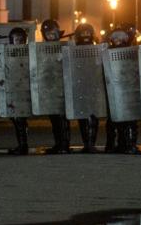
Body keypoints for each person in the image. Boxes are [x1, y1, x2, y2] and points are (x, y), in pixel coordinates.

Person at [40, 19, 70, 154]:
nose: (50, 37)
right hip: (50, 88)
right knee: (54, 119)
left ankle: (64, 145)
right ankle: (58, 144)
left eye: (52, 34)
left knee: (62, 118)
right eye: (48, 34)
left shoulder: (64, 47)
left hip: (63, 88)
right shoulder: (43, 49)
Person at [106, 28, 138, 154]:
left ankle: (128, 144)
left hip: (128, 88)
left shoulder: (132, 51)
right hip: (114, 88)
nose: (118, 41)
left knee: (129, 118)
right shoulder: (108, 51)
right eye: (115, 38)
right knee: (113, 119)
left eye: (120, 38)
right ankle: (114, 144)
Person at [72, 23, 101, 153]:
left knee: (93, 116)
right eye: (82, 34)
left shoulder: (97, 50)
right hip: (80, 85)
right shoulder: (73, 51)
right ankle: (87, 143)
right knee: (82, 115)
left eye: (87, 33)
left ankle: (91, 143)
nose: (85, 36)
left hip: (93, 85)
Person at [6, 27, 30, 155]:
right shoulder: (9, 53)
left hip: (24, 89)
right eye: (17, 39)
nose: (19, 42)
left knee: (20, 119)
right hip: (14, 89)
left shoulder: (28, 52)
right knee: (17, 119)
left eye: (21, 39)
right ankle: (22, 144)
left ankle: (23, 145)